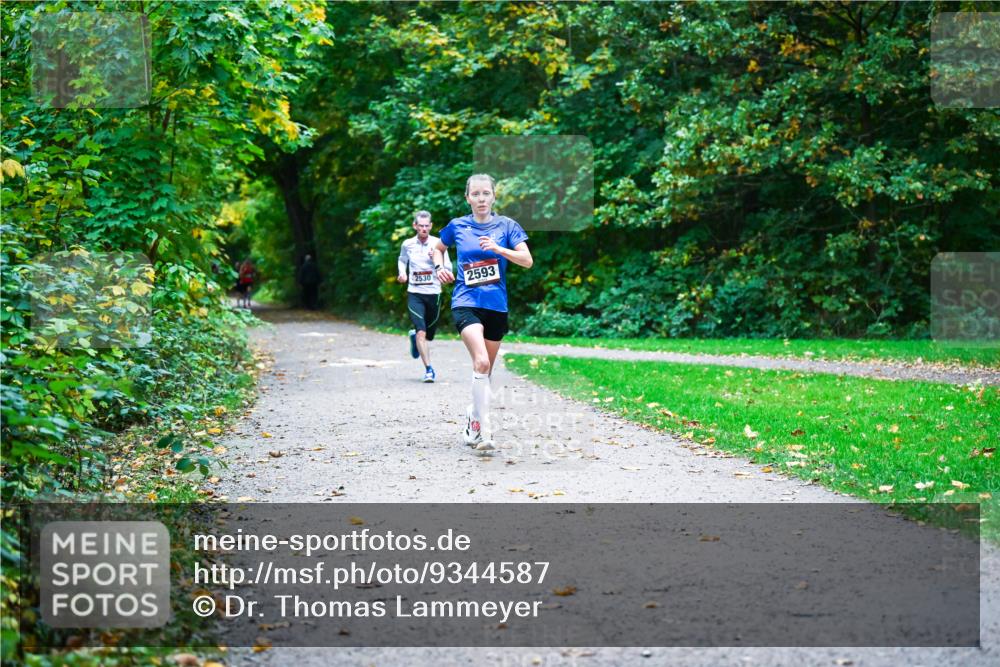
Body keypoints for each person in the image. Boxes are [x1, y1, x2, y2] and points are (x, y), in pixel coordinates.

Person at [433, 174, 532, 451]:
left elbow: (527, 260)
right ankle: (484, 430)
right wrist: (441, 267)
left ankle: (472, 415)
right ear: (468, 198)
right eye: (475, 194)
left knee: (485, 372)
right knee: (481, 363)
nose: (480, 199)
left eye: (485, 193)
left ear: (493, 196)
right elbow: (438, 249)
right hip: (465, 302)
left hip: (496, 306)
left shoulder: (508, 226)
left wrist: (500, 249)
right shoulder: (457, 226)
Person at [397, 211, 452, 382]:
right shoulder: (407, 244)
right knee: (422, 332)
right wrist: (402, 273)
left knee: (429, 335)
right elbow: (402, 259)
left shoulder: (438, 244)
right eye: (420, 226)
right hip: (415, 293)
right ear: (415, 226)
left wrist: (437, 260)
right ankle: (429, 370)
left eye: (427, 226)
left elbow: (449, 268)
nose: (424, 229)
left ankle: (415, 339)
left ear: (431, 226)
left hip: (434, 293)